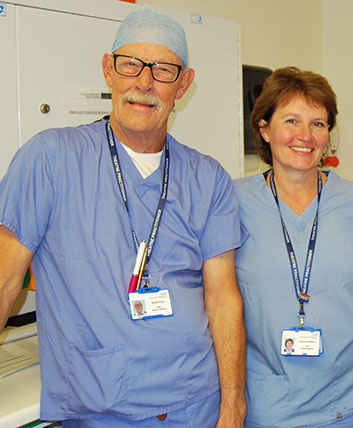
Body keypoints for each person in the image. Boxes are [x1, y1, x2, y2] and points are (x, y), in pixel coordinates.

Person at [0, 10, 246, 427]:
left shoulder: (208, 178)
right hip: (102, 410)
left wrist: (233, 408)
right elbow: (5, 278)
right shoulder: (51, 160)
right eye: (130, 63)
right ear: (108, 70)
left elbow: (223, 301)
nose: (143, 82)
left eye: (163, 70)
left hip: (196, 404)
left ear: (183, 84)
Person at [233, 66, 353, 428]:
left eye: (318, 124)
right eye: (291, 120)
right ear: (264, 128)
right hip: (271, 405)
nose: (305, 136)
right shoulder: (232, 203)